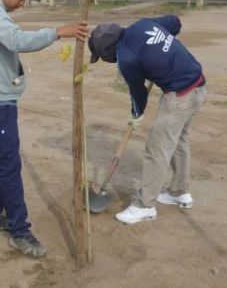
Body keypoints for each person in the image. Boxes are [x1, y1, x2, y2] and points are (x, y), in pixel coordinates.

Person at [0, 0, 88, 258]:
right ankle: (19, 231)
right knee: (8, 166)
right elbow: (17, 41)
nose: (22, 4)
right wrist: (58, 32)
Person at [88, 15, 206, 225]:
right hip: (198, 87)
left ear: (107, 52)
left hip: (179, 97)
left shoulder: (126, 58)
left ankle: (145, 206)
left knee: (157, 150)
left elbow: (138, 93)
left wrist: (136, 115)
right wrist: (163, 47)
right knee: (178, 141)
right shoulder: (142, 25)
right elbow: (174, 22)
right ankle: (179, 192)